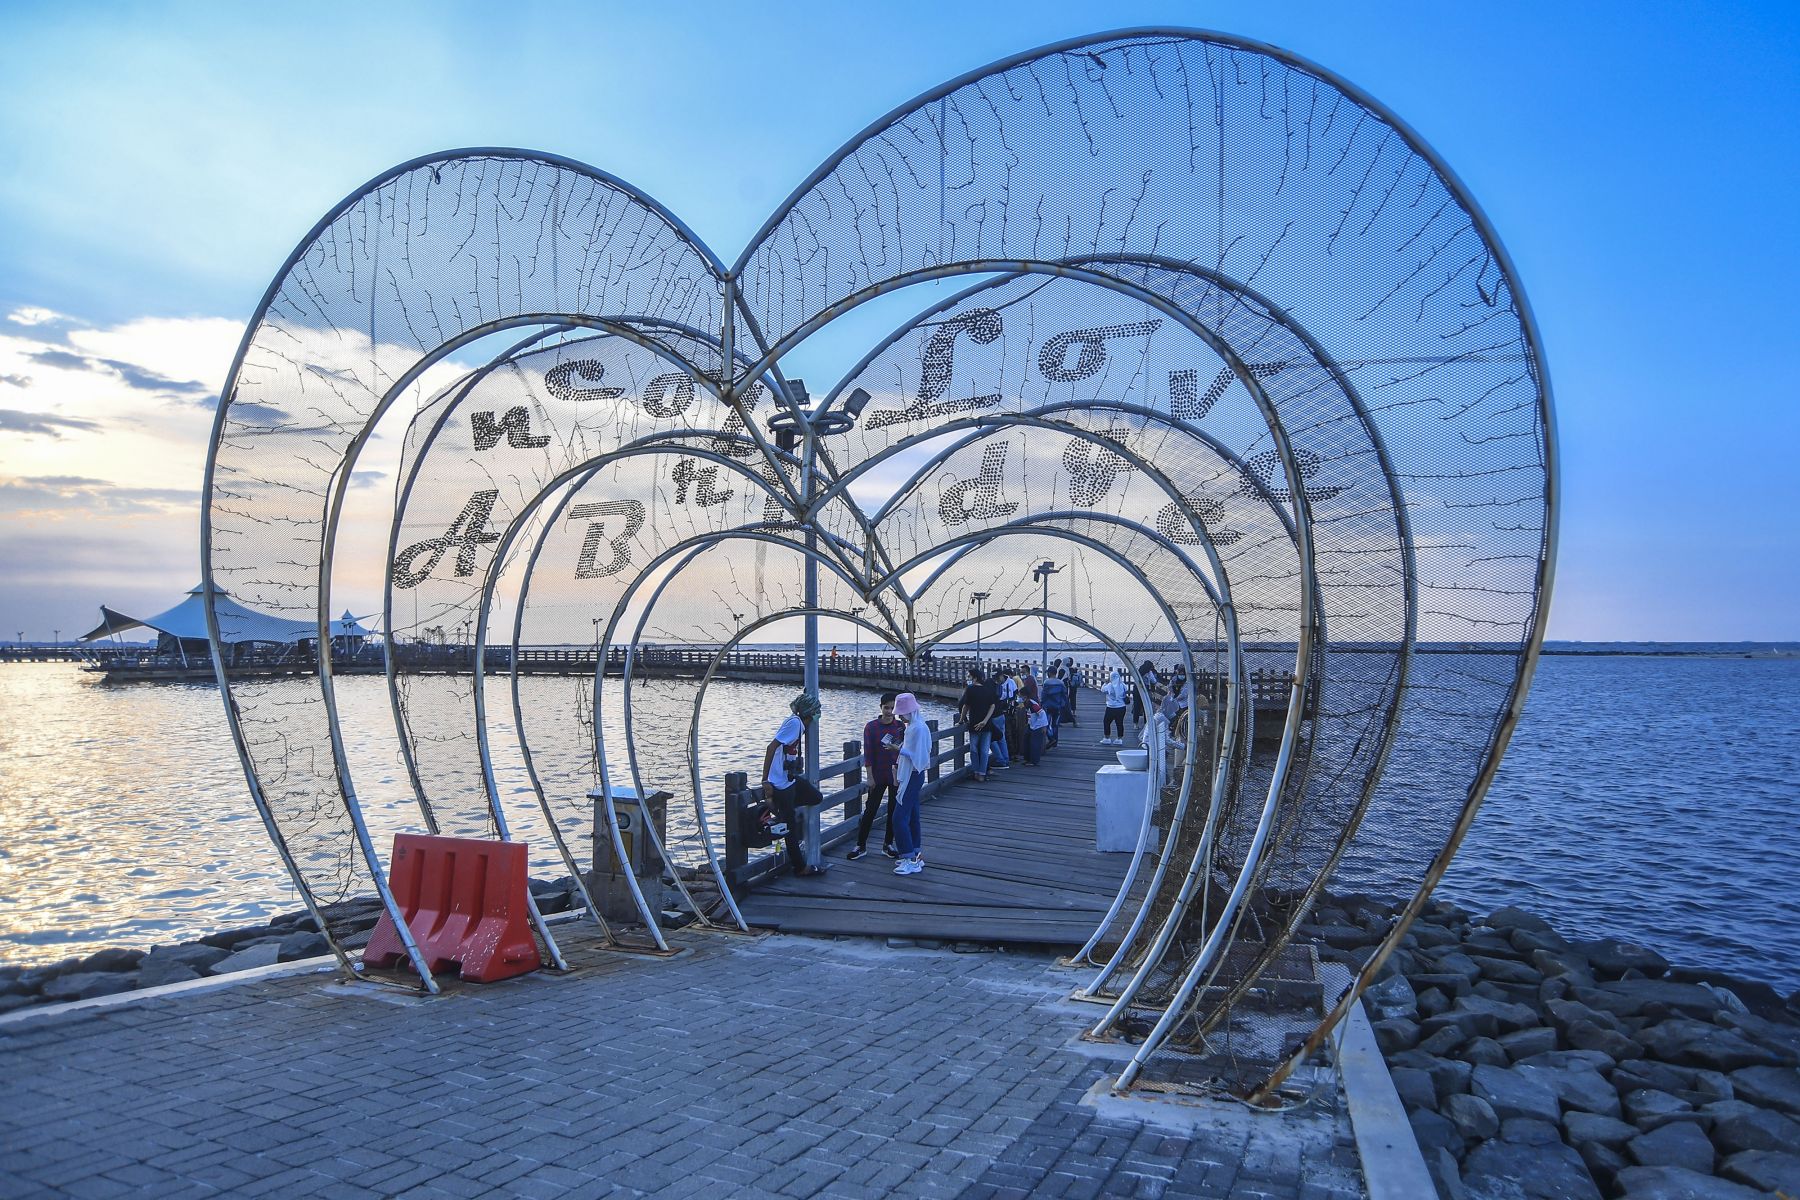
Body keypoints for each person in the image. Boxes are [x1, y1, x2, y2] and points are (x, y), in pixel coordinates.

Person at [762, 692, 829, 877]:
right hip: (779, 782)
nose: (817, 716)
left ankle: (781, 809)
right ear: (809, 713)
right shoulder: (795, 724)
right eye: (816, 712)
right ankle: (800, 868)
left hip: (788, 778)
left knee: (815, 797)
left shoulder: (798, 724)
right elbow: (771, 747)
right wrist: (765, 780)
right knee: (790, 827)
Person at [851, 691, 903, 860]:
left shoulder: (900, 726)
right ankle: (860, 844)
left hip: (896, 774)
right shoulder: (871, 727)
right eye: (886, 707)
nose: (889, 711)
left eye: (892, 708)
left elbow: (904, 750)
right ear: (880, 707)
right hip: (878, 774)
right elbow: (868, 753)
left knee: (893, 810)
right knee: (870, 810)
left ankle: (888, 844)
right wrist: (869, 775)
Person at [891, 692, 931, 875]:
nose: (899, 716)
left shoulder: (916, 728)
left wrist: (898, 749)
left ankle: (909, 858)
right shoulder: (918, 726)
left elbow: (918, 755)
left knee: (898, 817)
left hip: (913, 775)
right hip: (915, 774)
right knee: (912, 815)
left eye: (901, 713)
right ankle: (915, 855)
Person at [958, 665, 999, 781]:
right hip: (986, 724)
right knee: (984, 750)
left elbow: (965, 706)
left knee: (974, 749)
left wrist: (961, 720)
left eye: (969, 676)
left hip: (974, 723)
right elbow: (993, 705)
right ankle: (981, 773)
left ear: (974, 677)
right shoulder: (987, 689)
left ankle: (976, 772)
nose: (968, 677)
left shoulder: (970, 689)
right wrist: (985, 720)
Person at [1039, 667, 1067, 747]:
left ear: (1050, 673)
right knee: (1055, 724)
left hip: (1047, 706)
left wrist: (1041, 703)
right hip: (1057, 706)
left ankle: (1051, 738)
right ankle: (1055, 742)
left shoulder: (1046, 682)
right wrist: (1063, 704)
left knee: (1046, 724)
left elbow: (1043, 695)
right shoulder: (1061, 683)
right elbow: (1064, 695)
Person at [1101, 668, 1129, 745]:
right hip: (1121, 707)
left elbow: (1102, 690)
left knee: (1106, 722)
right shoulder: (1123, 685)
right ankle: (1119, 739)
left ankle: (1107, 738)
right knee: (1119, 723)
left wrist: (1105, 682)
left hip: (1111, 707)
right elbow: (1126, 690)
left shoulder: (1109, 685)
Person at [1024, 696, 1049, 765]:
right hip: (1032, 725)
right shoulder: (1027, 703)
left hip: (1037, 726)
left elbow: (1042, 714)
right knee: (1027, 742)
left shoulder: (1033, 704)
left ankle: (1034, 761)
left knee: (1034, 744)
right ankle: (1028, 759)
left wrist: (1043, 725)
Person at [1062, 656, 1081, 726]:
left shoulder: (1064, 669)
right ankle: (1073, 718)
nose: (1069, 663)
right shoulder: (1064, 669)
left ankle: (1071, 719)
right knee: (1068, 702)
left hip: (1067, 687)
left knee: (1066, 703)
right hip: (1067, 688)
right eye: (1069, 662)